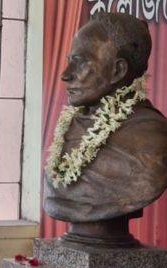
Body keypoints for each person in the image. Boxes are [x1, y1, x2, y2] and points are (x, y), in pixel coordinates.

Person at [43, 12, 167, 246]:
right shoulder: (71, 125)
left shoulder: (151, 139)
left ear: (118, 70)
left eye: (80, 61)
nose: (65, 74)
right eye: (70, 60)